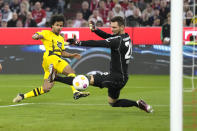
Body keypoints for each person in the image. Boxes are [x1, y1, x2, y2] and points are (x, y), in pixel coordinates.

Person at [52, 16, 153, 113]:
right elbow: (109, 37)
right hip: (123, 77)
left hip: (115, 77)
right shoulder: (126, 37)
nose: (112, 29)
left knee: (83, 80)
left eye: (114, 27)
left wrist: (78, 43)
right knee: (113, 102)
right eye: (111, 27)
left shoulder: (117, 41)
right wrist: (96, 30)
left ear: (122, 27)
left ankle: (55, 77)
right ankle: (138, 103)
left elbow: (99, 43)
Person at [13, 14, 90, 103]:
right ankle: (76, 92)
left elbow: (62, 53)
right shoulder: (47, 33)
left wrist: (72, 55)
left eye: (61, 25)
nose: (59, 27)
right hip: (51, 58)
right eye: (57, 25)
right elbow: (37, 35)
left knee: (46, 88)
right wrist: (36, 36)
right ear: (52, 25)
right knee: (70, 72)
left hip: (50, 62)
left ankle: (22, 96)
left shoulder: (61, 38)